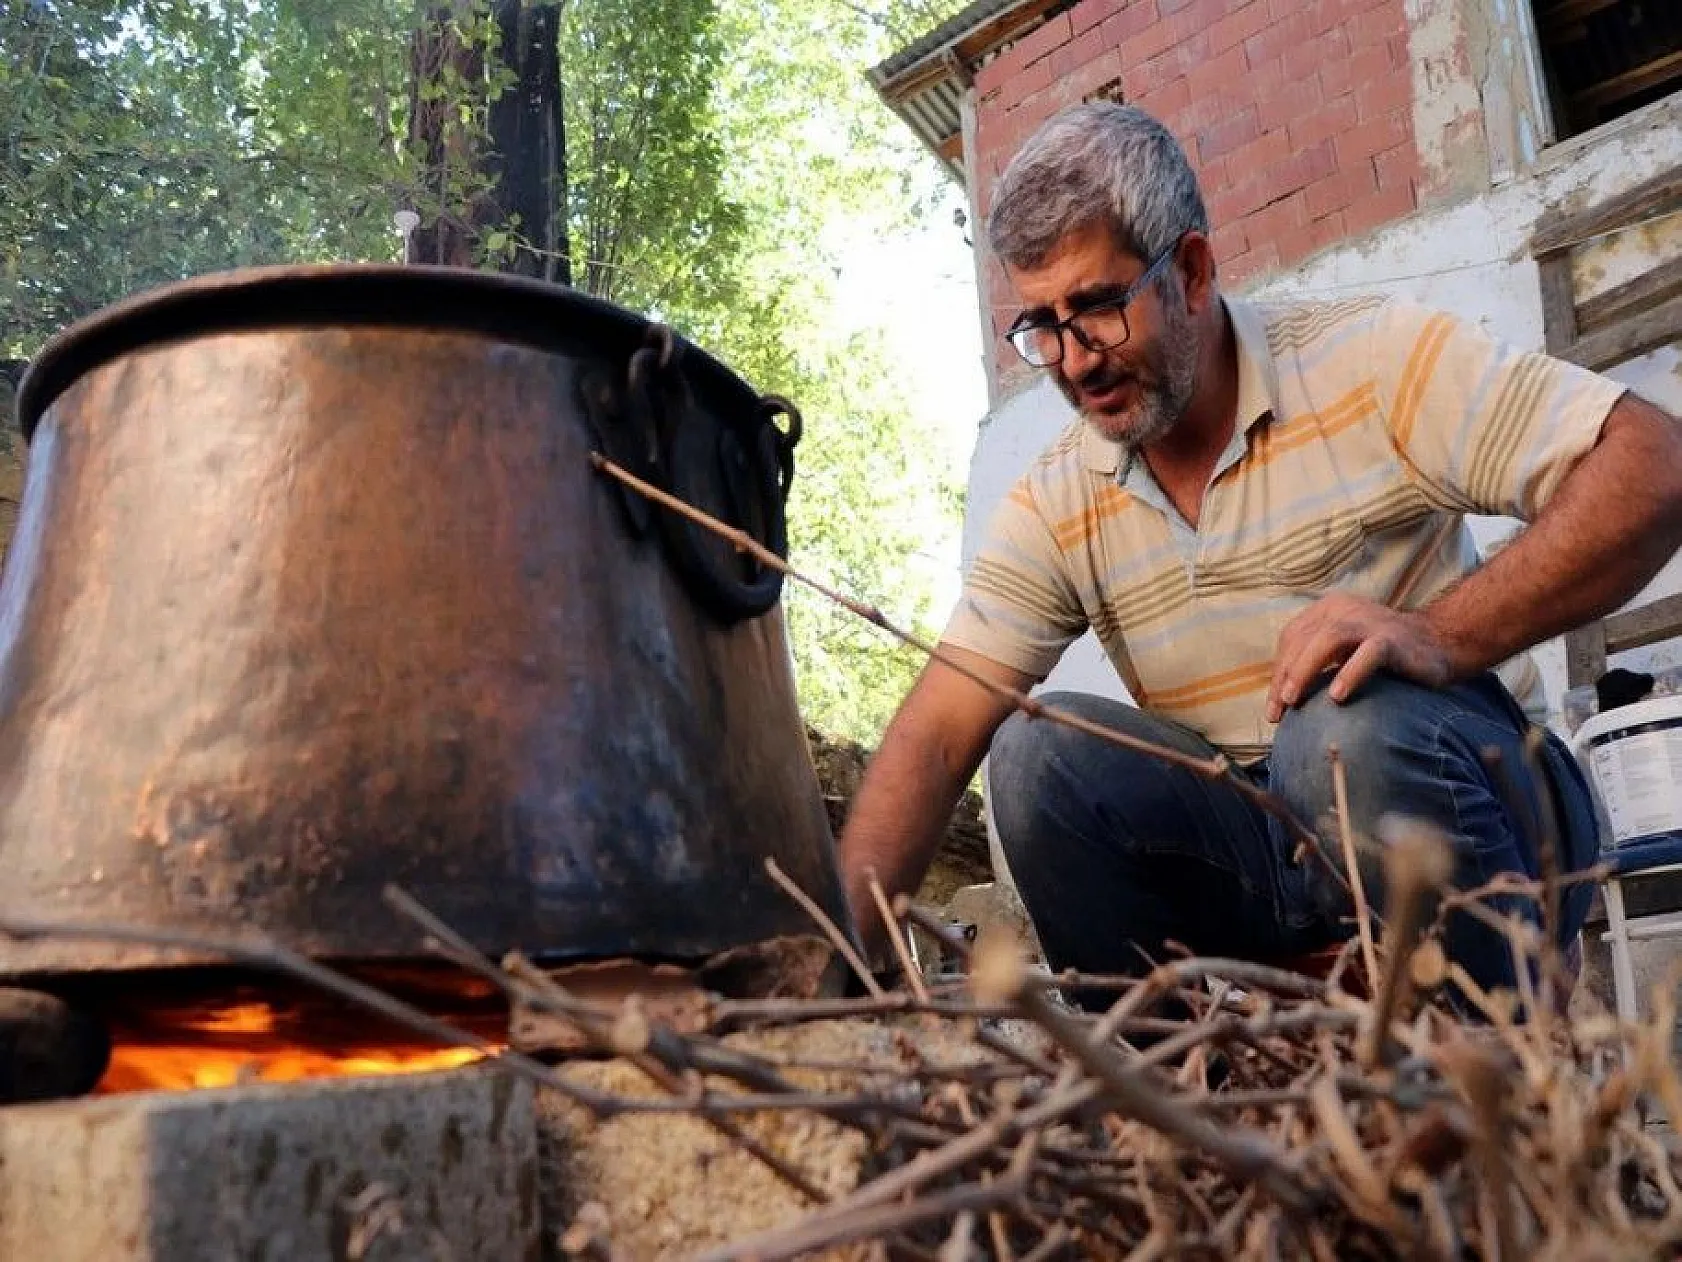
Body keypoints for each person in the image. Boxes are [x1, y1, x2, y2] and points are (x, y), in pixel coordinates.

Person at [837, 101, 1682, 1002]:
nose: (1075, 361)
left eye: (1099, 308)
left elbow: (1653, 467)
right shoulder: (1058, 497)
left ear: (1192, 272)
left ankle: (1476, 1088)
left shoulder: (1369, 361)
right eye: (1042, 326)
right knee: (1037, 761)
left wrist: (1436, 635)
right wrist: (828, 957)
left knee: (1340, 722)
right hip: (1267, 849)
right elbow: (932, 741)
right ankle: (1171, 1114)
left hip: (1480, 814)